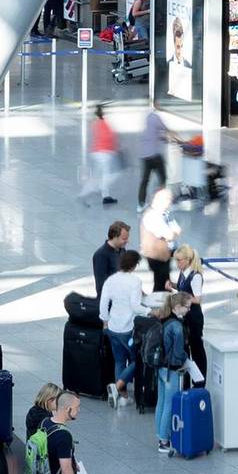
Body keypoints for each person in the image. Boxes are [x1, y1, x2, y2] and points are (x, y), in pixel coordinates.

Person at [147, 292, 197, 454]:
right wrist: (185, 361)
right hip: (172, 371)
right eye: (187, 307)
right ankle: (164, 440)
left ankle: (160, 434)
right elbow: (178, 354)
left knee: (161, 402)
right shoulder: (177, 327)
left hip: (160, 368)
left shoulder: (164, 318)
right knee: (169, 404)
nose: (189, 310)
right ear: (177, 307)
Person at [98, 250, 146, 404]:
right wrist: (149, 311)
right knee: (136, 359)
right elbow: (135, 306)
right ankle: (119, 386)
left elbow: (103, 302)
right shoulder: (135, 281)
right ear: (135, 265)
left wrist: (105, 320)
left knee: (119, 360)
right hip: (128, 328)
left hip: (113, 326)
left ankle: (121, 396)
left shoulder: (111, 280)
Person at [138, 187, 180, 291]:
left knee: (164, 281)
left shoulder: (165, 213)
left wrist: (173, 232)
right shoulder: (152, 216)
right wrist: (173, 232)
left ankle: (164, 301)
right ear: (156, 199)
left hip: (164, 255)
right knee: (161, 284)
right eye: (166, 199)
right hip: (157, 257)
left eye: (169, 199)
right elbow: (170, 235)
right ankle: (160, 303)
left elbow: (177, 230)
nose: (169, 201)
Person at [79, 105, 122, 205]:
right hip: (105, 153)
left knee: (99, 174)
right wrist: (115, 147)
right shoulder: (104, 124)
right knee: (110, 174)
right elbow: (109, 137)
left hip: (97, 152)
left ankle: (101, 195)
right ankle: (97, 191)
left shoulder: (96, 123)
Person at [91, 220, 132, 292]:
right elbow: (102, 284)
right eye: (124, 239)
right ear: (114, 237)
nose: (127, 241)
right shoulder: (101, 255)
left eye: (127, 238)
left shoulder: (122, 250)